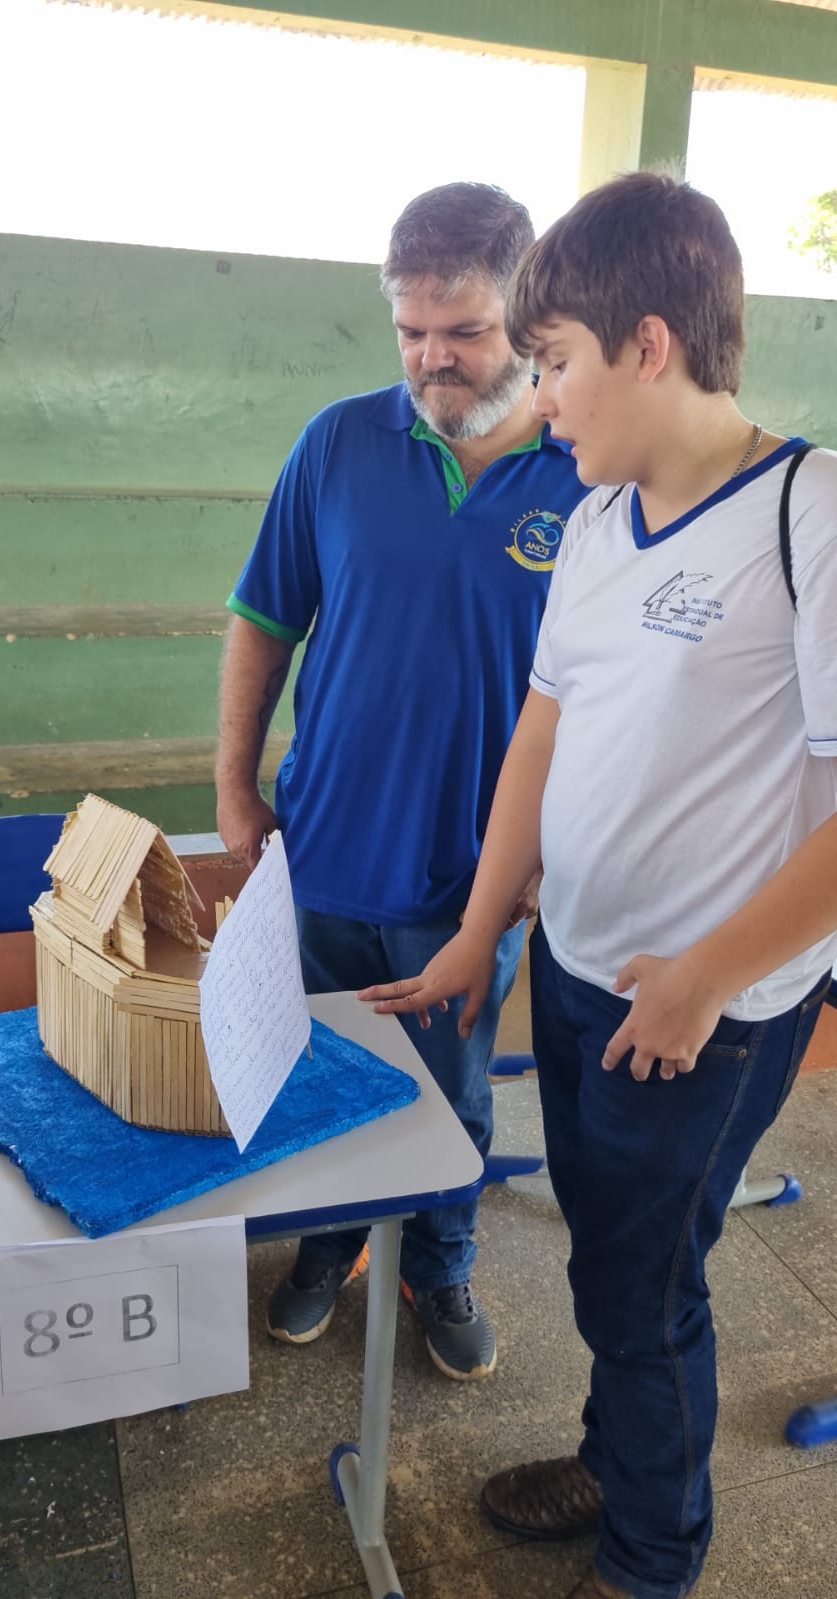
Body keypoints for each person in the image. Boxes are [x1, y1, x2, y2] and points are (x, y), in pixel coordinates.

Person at [359, 170, 837, 1595]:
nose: (541, 398)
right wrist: (475, 933)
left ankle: (648, 1555)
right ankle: (615, 1457)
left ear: (647, 343)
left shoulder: (805, 515)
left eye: (554, 361)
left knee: (640, 1284)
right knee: (610, 1260)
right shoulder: (591, 523)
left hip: (699, 1010)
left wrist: (700, 979)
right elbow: (541, 732)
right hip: (576, 966)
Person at [215, 181, 588, 1381]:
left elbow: (612, 696)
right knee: (321, 1071)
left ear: (527, 319)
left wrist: (545, 858)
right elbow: (263, 619)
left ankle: (439, 1257)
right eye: (410, 331)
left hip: (471, 873)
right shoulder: (337, 442)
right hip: (323, 847)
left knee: (451, 1088)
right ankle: (328, 1244)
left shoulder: (588, 471)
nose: (431, 357)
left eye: (462, 330)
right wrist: (233, 789)